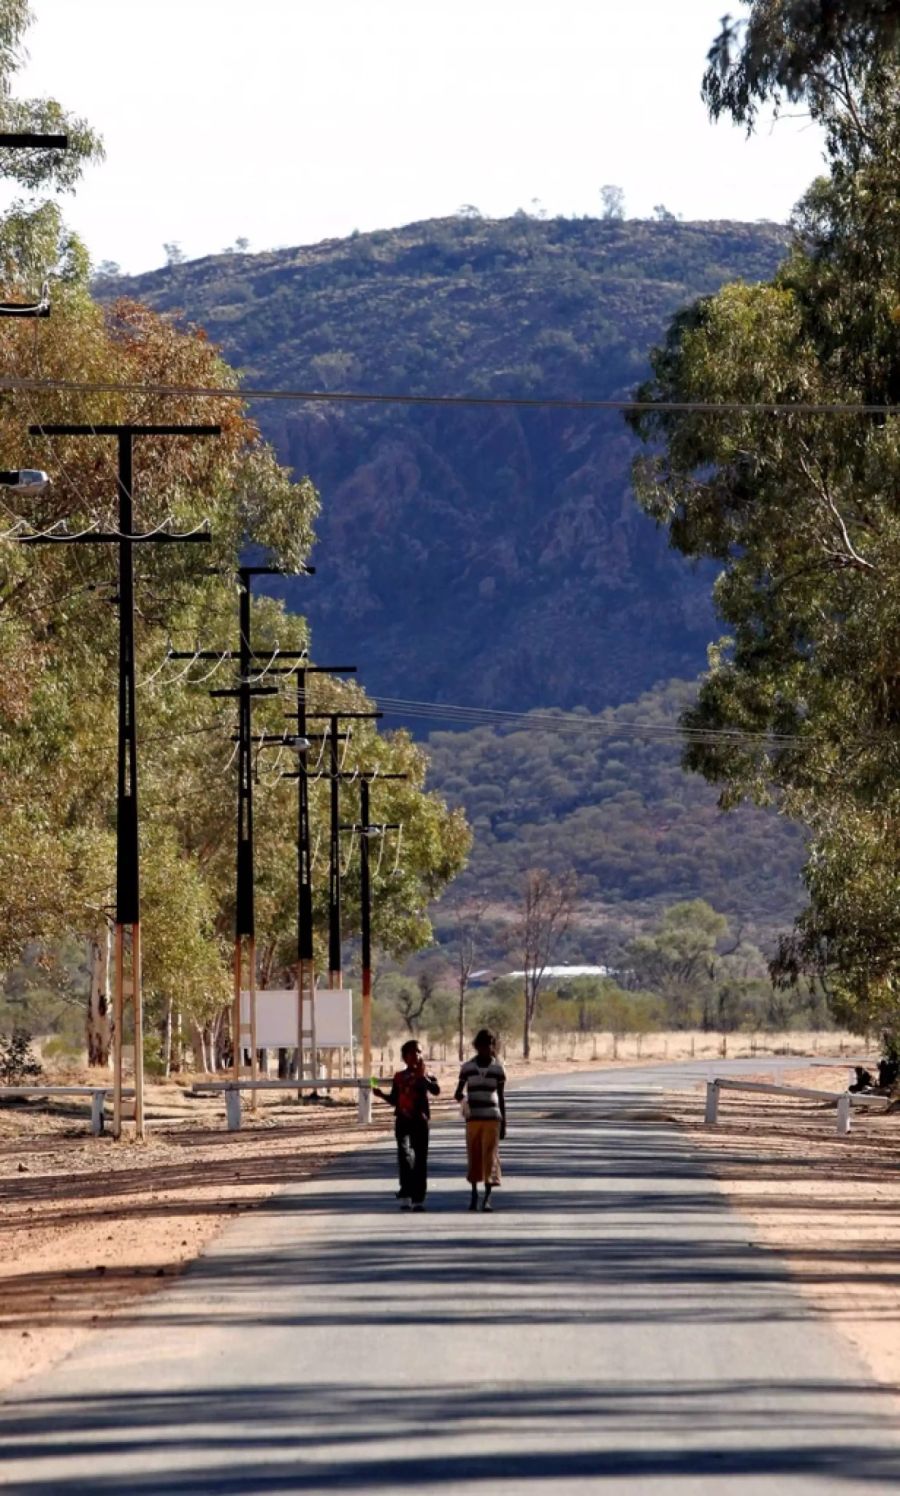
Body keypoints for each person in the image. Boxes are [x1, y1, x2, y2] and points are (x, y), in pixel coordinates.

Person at [373, 1039, 440, 1211]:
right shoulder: (399, 1077)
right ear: (404, 1057)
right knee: (404, 1156)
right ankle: (406, 1192)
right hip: (403, 1120)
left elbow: (436, 1090)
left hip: (420, 1121)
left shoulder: (427, 1076)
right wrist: (381, 1095)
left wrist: (422, 1077)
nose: (416, 1055)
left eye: (418, 1052)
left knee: (420, 1160)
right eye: (411, 1052)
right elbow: (395, 1100)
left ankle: (418, 1198)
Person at [455, 1028, 507, 1212]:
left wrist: (504, 1124)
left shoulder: (498, 1069)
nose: (486, 1048)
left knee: (490, 1158)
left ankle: (487, 1198)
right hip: (473, 1119)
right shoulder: (467, 1068)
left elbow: (501, 1097)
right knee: (474, 1156)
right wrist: (464, 1103)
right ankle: (474, 1194)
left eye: (489, 1045)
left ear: (493, 1046)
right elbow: (457, 1093)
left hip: (492, 1118)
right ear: (477, 1046)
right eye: (482, 1045)